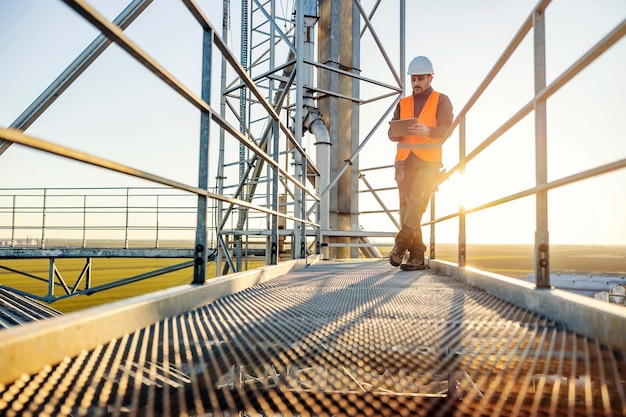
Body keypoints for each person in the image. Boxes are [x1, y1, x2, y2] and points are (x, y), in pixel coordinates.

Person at [388, 55, 453, 271]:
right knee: (407, 210)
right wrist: (397, 133)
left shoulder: (441, 100)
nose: (416, 84)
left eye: (421, 79)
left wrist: (429, 131)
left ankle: (399, 246)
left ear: (430, 78)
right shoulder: (403, 103)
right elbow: (391, 133)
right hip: (404, 164)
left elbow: (446, 130)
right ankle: (416, 256)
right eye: (413, 79)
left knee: (416, 204)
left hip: (428, 164)